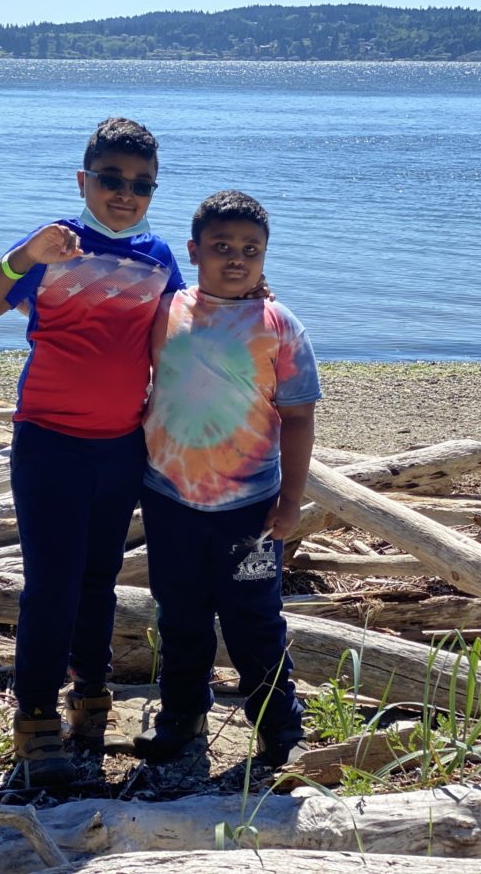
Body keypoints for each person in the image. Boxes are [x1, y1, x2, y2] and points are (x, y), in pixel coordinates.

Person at [0, 118, 184, 786]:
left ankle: (89, 701)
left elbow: (183, 331)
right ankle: (34, 722)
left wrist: (246, 301)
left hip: (120, 447)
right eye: (110, 179)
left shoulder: (159, 259)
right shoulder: (55, 244)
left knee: (96, 583)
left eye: (141, 184)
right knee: (52, 587)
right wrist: (22, 258)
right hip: (49, 442)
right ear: (84, 181)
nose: (125, 193)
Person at [134, 190, 321, 768]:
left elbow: (298, 416)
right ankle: (182, 720)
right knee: (180, 616)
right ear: (193, 251)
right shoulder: (165, 312)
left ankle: (277, 727)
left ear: (266, 258)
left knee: (254, 621)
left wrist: (292, 500)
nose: (236, 258)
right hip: (171, 500)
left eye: (250, 250)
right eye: (221, 247)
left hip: (251, 510)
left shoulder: (278, 325)